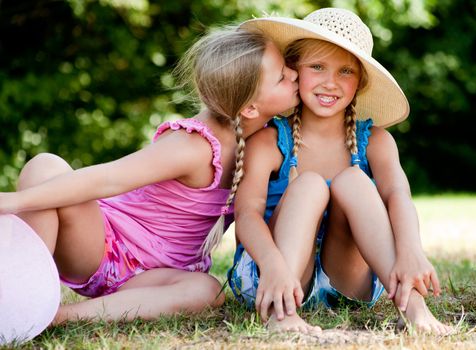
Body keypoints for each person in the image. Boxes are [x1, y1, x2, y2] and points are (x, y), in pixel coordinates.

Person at [0, 25, 299, 323]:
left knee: (208, 291)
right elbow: (110, 178)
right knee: (45, 166)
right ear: (248, 108)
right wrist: (17, 201)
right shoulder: (194, 146)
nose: (294, 75)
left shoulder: (267, 141)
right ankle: (21, 294)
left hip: (156, 279)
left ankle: (57, 317)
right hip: (105, 249)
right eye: (282, 77)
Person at [228, 8, 452, 335]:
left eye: (345, 71)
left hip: (346, 282)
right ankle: (281, 316)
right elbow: (246, 213)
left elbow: (398, 196)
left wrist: (411, 251)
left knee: (354, 181)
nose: (330, 82)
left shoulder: (375, 142)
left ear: (359, 82)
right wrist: (274, 265)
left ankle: (414, 309)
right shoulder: (269, 141)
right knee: (309, 185)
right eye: (317, 67)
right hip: (275, 275)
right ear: (295, 71)